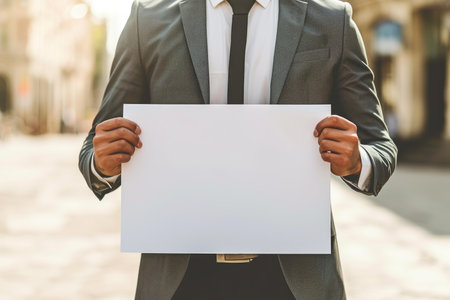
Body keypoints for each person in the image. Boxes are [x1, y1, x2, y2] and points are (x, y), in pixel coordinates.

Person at [79, 0, 397, 299]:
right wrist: (103, 164)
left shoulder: (332, 19)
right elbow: (96, 144)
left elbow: (379, 146)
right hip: (179, 275)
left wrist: (358, 162)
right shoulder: (146, 20)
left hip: (296, 277)